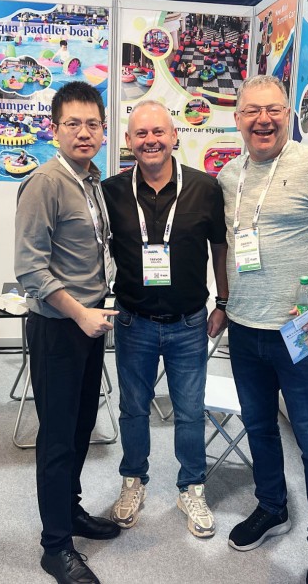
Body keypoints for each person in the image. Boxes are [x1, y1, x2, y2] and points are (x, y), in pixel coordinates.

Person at [217, 75, 308, 584]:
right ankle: (272, 505)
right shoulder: (229, 176)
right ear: (238, 119)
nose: (263, 120)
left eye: (274, 110)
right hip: (244, 328)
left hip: (300, 330)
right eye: (252, 111)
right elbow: (226, 246)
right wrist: (222, 301)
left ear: (288, 114)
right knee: (259, 427)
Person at [102, 100, 228, 538]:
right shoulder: (111, 191)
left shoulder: (205, 188)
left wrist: (223, 302)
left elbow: (219, 248)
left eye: (159, 132)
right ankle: (133, 481)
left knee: (190, 411)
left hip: (188, 322)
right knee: (133, 408)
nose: (151, 140)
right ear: (128, 141)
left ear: (175, 136)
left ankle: (191, 487)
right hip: (133, 321)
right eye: (141, 133)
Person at [15, 81, 120, 584]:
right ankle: (54, 546)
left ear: (103, 129)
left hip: (89, 325)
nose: (84, 132)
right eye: (73, 123)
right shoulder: (45, 183)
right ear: (54, 128)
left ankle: (69, 510)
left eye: (92, 124)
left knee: (81, 427)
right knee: (57, 437)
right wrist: (80, 312)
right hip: (60, 327)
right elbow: (29, 270)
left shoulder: (91, 180)